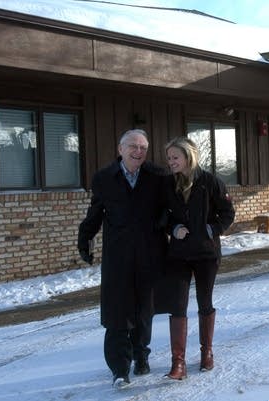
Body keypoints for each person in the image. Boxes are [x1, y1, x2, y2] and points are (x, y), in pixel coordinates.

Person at [77, 129, 167, 388]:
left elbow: (169, 207)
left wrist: (165, 223)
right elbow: (95, 213)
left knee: (144, 311)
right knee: (117, 312)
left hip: (149, 253)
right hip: (118, 257)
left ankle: (141, 356)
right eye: (133, 146)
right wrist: (85, 239)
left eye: (143, 148)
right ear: (120, 149)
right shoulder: (105, 178)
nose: (138, 151)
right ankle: (119, 368)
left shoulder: (157, 176)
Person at [156, 136, 235, 380]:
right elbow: (162, 215)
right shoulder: (168, 184)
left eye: (175, 157)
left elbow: (227, 212)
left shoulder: (210, 182)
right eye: (168, 158)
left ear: (188, 156)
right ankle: (177, 363)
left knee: (204, 302)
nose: (170, 162)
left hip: (206, 255)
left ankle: (206, 353)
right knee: (177, 305)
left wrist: (212, 230)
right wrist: (173, 227)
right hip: (179, 255)